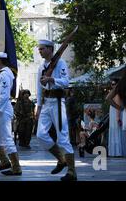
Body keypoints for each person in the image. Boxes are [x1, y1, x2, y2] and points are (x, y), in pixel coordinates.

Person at [36, 39, 76, 181]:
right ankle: (61, 158)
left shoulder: (60, 63)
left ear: (50, 49)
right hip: (46, 103)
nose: (39, 51)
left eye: (42, 49)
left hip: (58, 102)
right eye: (39, 49)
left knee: (63, 137)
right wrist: (39, 108)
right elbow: (39, 88)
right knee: (40, 135)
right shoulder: (41, 66)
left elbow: (66, 82)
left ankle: (72, 172)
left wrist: (52, 80)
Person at [107, 79, 126, 158]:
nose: (112, 86)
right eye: (111, 84)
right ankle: (119, 151)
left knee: (117, 132)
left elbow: (118, 106)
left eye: (114, 84)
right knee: (117, 132)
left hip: (117, 115)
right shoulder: (118, 93)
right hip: (116, 115)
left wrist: (117, 117)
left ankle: (118, 152)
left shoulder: (117, 94)